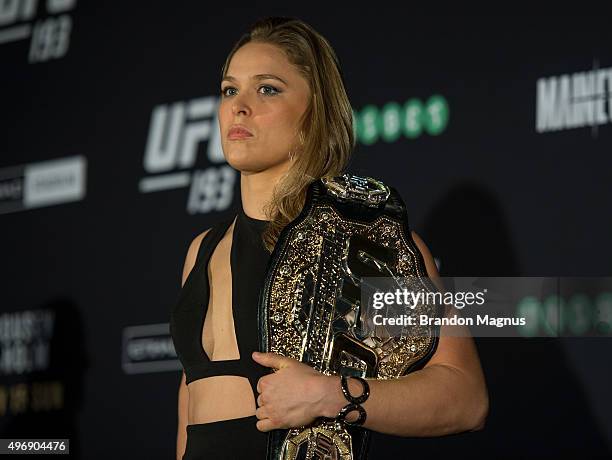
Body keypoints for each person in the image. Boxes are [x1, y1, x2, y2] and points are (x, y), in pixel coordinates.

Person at [170, 16, 489, 460]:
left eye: (267, 89)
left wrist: (331, 395)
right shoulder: (202, 250)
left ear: (314, 112)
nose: (239, 107)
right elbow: (192, 404)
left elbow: (465, 398)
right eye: (229, 89)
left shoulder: (365, 239)